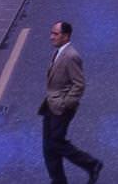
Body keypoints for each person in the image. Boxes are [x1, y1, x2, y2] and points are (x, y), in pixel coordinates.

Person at [40, 21, 103, 184]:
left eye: (55, 34)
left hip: (61, 108)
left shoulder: (71, 56)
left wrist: (65, 103)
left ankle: (91, 164)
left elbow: (79, 84)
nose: (51, 37)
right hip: (50, 104)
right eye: (51, 33)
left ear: (66, 36)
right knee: (48, 146)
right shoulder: (59, 52)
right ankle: (58, 180)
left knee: (55, 142)